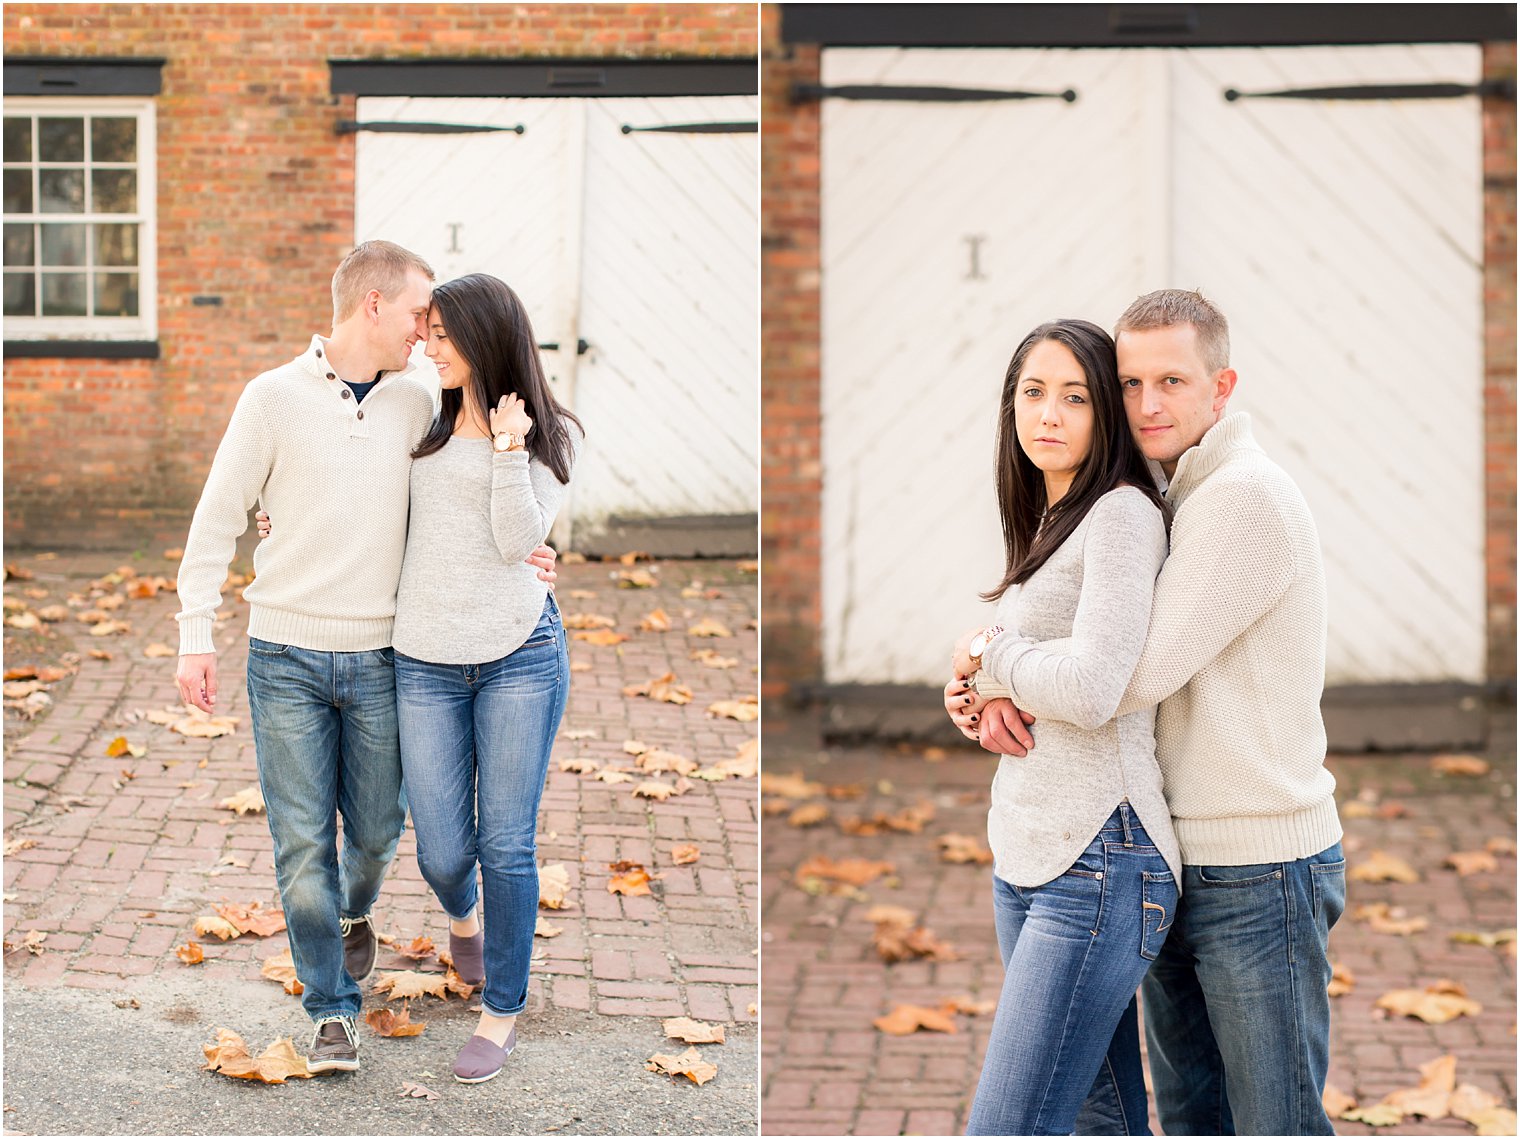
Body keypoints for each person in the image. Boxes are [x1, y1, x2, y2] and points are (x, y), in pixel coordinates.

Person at [965, 290, 1345, 1134]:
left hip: (1258, 859)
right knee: (1194, 1119)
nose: (1146, 404)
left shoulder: (1241, 499)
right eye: (1130, 382)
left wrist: (990, 665)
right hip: (1182, 843)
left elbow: (1124, 678)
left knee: (1274, 1122)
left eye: (1171, 379)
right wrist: (985, 685)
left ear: (1223, 385)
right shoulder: (1167, 492)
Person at [173, 241, 556, 1075]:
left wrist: (531, 554)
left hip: (387, 653)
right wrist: (194, 632)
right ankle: (330, 1009)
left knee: (382, 832)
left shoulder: (423, 398)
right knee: (301, 842)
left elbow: (467, 499)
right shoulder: (270, 398)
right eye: (421, 313)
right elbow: (218, 518)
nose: (428, 332)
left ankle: (352, 913)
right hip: (285, 654)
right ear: (374, 305)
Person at [942, 318, 1178, 1135]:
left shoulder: (1119, 513)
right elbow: (1037, 671)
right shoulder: (1053, 518)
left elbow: (1092, 685)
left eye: (1075, 397)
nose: (1049, 413)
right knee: (1100, 1121)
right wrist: (975, 692)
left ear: (1105, 412)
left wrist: (989, 650)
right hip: (1031, 845)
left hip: (1101, 857)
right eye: (1033, 392)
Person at [389, 272, 581, 1083]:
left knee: (505, 842)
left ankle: (501, 1009)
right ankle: (462, 920)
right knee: (439, 847)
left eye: (440, 335)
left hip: (517, 656)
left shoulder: (546, 436)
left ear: (482, 336)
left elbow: (516, 542)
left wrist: (506, 450)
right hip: (424, 659)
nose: (427, 347)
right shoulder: (415, 423)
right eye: (424, 332)